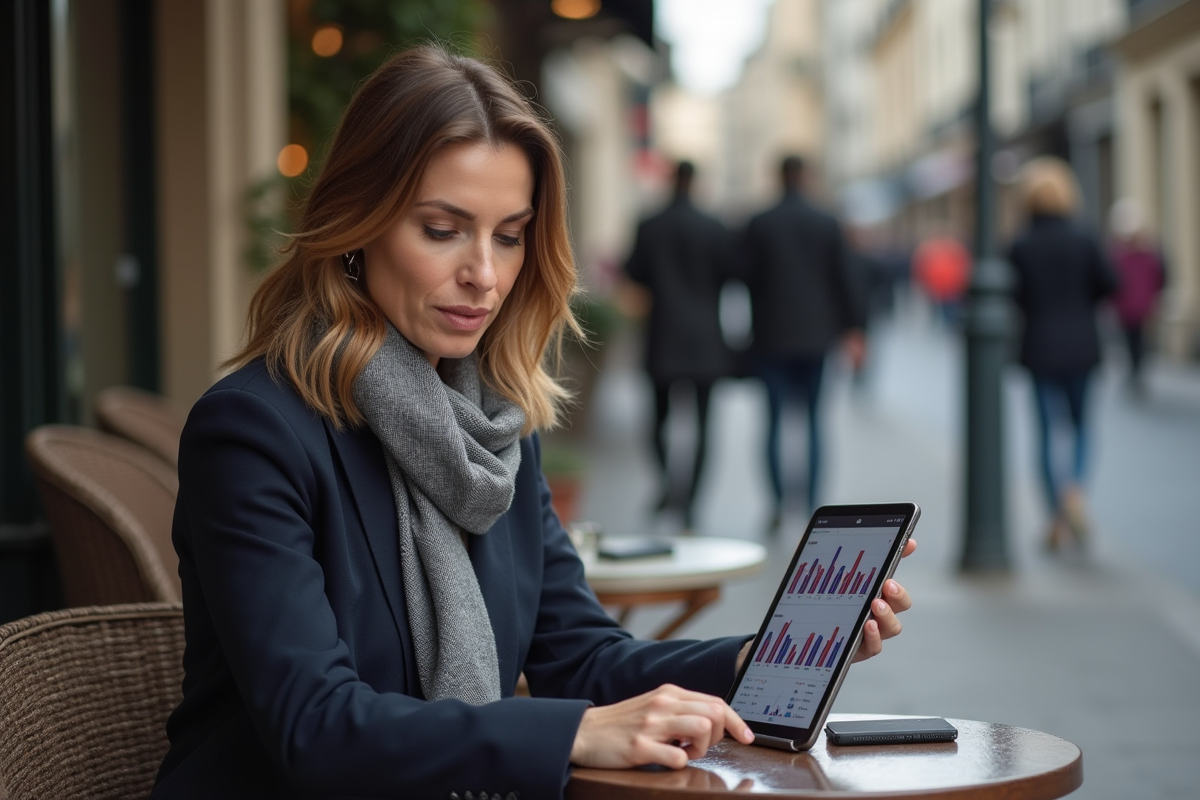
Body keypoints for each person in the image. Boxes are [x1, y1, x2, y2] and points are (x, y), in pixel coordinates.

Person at [152, 47, 916, 800]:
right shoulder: (253, 433)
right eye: (443, 229)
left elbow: (578, 656)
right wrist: (575, 734)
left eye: (509, 235)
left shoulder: (496, 429)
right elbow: (314, 727)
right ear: (360, 227)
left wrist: (761, 660)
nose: (484, 274)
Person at [741, 156, 866, 530]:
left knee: (774, 422)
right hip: (817, 338)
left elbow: (743, 274)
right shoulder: (826, 222)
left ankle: (778, 503)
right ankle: (814, 505)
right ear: (807, 177)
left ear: (778, 177)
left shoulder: (760, 223)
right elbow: (846, 277)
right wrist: (855, 329)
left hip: (771, 337)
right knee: (815, 422)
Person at [1008, 157, 1116, 551]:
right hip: (1082, 344)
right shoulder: (1084, 237)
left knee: (1046, 432)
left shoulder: (1020, 244)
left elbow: (1013, 296)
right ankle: (1075, 493)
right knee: (1082, 425)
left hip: (1039, 346)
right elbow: (1109, 284)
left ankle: (1056, 510)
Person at [624, 161, 736, 530]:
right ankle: (691, 502)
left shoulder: (650, 224)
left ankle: (668, 487)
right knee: (705, 426)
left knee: (657, 421)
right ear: (696, 182)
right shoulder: (714, 226)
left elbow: (633, 271)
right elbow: (732, 273)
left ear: (672, 181)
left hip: (663, 337)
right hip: (706, 340)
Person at [1107, 197, 1167, 398]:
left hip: (1134, 306)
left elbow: (1160, 276)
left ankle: (1135, 374)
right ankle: (1135, 374)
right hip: (1135, 306)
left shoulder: (1126, 254)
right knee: (1135, 341)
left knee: (1135, 341)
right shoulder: (1144, 253)